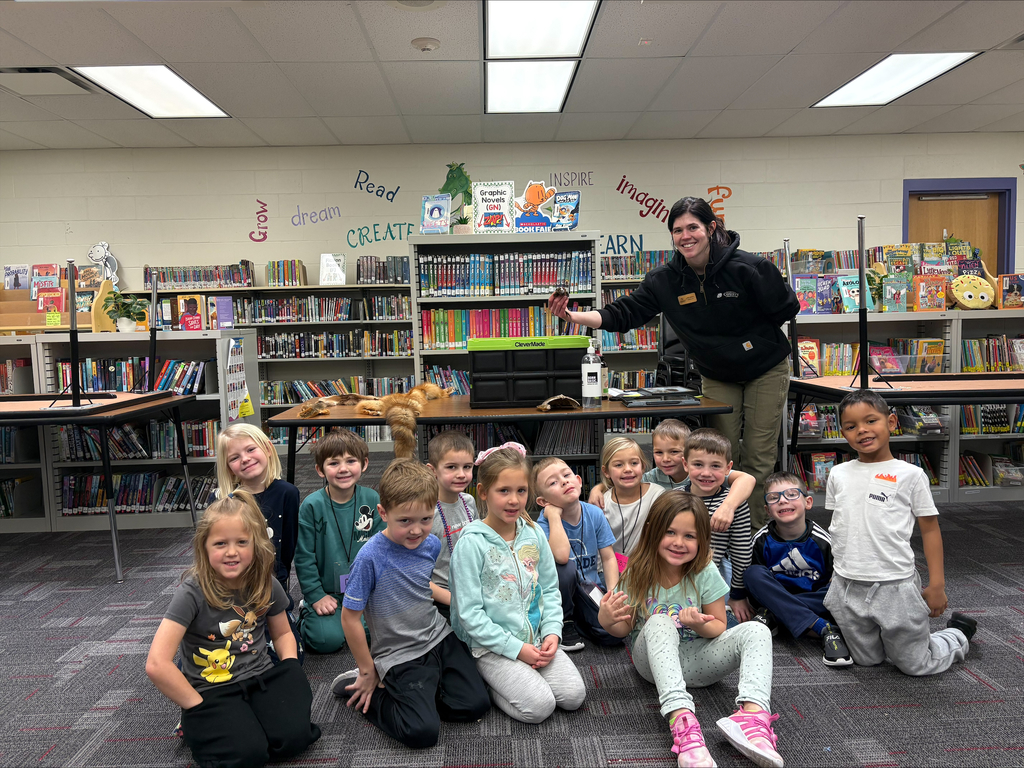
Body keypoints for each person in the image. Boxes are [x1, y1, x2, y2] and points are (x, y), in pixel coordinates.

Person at [551, 196, 799, 530]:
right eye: (677, 230)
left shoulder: (750, 268)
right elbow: (623, 313)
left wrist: (747, 332)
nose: (686, 236)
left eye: (693, 227)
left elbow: (786, 308)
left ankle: (747, 532)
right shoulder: (664, 280)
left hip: (764, 368)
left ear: (711, 228)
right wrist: (572, 315)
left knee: (757, 455)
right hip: (717, 373)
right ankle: (711, 531)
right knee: (717, 459)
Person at [598, 491, 783, 768]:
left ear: (702, 540)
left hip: (699, 662)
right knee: (658, 621)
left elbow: (719, 625)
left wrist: (700, 624)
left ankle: (752, 718)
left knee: (757, 630)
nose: (678, 543)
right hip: (652, 665)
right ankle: (683, 722)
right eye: (670, 532)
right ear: (652, 531)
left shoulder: (705, 571)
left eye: (690, 536)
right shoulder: (637, 571)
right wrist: (606, 618)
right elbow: (623, 629)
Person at [145, 491, 321, 768]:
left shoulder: (266, 582)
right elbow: (157, 664)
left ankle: (243, 721)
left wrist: (290, 670)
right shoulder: (192, 591)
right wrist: (197, 705)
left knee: (295, 738)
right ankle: (197, 727)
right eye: (220, 543)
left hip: (262, 678)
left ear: (256, 544)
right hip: (211, 689)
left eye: (242, 542)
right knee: (246, 755)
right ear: (204, 547)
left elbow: (284, 633)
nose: (231, 552)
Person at [334, 459, 490, 749]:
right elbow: (350, 618)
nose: (417, 530)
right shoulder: (370, 558)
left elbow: (420, 584)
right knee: (421, 732)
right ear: (383, 513)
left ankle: (418, 697)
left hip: (438, 636)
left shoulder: (430, 544)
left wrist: (459, 601)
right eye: (405, 521)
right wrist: (367, 669)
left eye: (425, 519)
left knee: (476, 704)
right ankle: (371, 687)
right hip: (399, 651)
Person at [823, 389, 976, 675]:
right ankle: (901, 641)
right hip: (847, 584)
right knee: (868, 660)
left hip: (894, 584)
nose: (862, 431)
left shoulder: (910, 474)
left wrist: (937, 585)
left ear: (892, 422)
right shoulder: (838, 473)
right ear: (842, 432)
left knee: (916, 665)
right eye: (851, 426)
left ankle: (956, 635)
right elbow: (842, 525)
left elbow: (930, 530)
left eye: (871, 421)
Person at [449, 444, 586, 724]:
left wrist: (552, 633)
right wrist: (516, 650)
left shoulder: (533, 534)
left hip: (535, 638)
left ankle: (521, 677)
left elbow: (549, 589)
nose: (514, 500)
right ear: (483, 492)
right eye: (504, 491)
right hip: (491, 647)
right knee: (539, 708)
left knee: (573, 696)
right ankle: (489, 683)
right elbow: (470, 614)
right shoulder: (470, 544)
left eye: (521, 491)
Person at [746, 471, 853, 667]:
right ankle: (823, 628)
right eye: (773, 497)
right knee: (752, 574)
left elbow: (836, 581)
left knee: (840, 587)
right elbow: (755, 583)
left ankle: (775, 616)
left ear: (808, 502)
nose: (783, 501)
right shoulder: (760, 540)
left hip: (811, 599)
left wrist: (776, 608)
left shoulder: (824, 541)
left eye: (792, 494)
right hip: (774, 595)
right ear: (767, 510)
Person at [294, 429, 382, 654]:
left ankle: (351, 624)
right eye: (333, 463)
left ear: (363, 465)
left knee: (380, 631)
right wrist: (315, 595)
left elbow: (383, 547)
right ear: (319, 470)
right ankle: (306, 614)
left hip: (365, 591)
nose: (343, 469)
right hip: (329, 593)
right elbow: (304, 557)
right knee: (325, 641)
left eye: (350, 461)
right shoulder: (311, 505)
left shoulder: (372, 499)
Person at [534, 456, 622, 650]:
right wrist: (553, 516)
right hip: (562, 594)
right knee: (566, 568)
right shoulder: (542, 525)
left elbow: (608, 558)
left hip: (590, 587)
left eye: (566, 475)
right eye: (554, 482)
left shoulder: (594, 514)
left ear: (579, 481)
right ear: (543, 501)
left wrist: (612, 593)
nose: (564, 481)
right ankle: (565, 621)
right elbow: (561, 557)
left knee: (615, 633)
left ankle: (583, 620)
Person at [679, 429, 754, 622]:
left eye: (715, 466)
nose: (706, 473)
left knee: (724, 626)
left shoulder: (735, 502)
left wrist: (738, 595)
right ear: (685, 464)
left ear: (728, 468)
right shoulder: (674, 497)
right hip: (676, 571)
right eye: (698, 464)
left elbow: (741, 550)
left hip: (713, 574)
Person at [425, 430, 478, 622]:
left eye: (467, 467)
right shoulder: (426, 514)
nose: (461, 474)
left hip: (472, 587)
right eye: (451, 467)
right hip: (443, 596)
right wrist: (454, 600)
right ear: (433, 470)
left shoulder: (469, 501)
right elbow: (416, 573)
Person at [599, 435, 665, 562]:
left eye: (634, 463)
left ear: (643, 466)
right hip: (612, 569)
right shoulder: (602, 504)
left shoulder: (657, 495)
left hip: (650, 568)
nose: (628, 469)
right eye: (618, 465)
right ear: (606, 472)